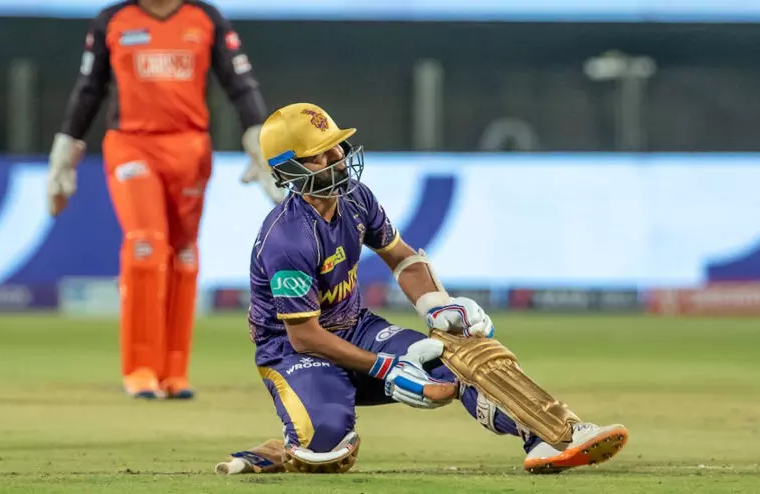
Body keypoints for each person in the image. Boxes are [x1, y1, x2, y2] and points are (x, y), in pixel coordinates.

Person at [217, 102, 629, 475]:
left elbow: (401, 256)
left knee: (459, 354)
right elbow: (304, 336)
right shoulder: (287, 239)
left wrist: (436, 305)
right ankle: (288, 447)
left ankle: (552, 435)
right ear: (290, 170)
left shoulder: (357, 198)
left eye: (336, 147)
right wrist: (385, 367)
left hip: (355, 327)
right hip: (293, 352)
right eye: (319, 155)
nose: (337, 160)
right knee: (326, 452)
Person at [46, 0, 285, 400]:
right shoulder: (113, 20)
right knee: (145, 245)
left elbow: (240, 84)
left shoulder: (205, 18)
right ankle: (140, 369)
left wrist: (258, 142)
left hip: (190, 149)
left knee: (184, 254)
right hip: (131, 145)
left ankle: (174, 372)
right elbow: (89, 89)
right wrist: (64, 155)